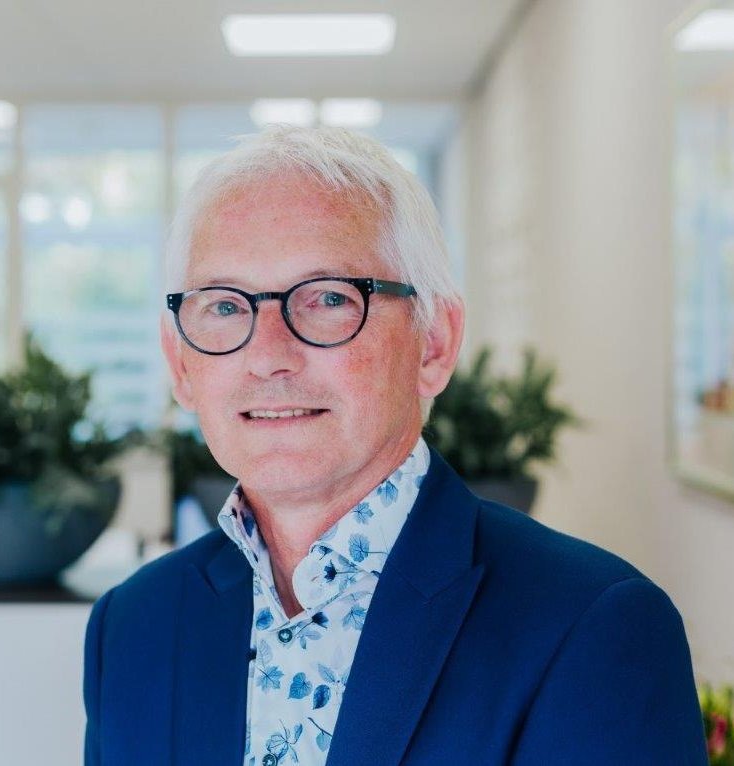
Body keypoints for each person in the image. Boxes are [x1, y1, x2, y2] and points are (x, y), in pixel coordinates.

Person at [83, 125, 707, 765]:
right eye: (223, 307)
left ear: (434, 343)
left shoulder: (592, 627)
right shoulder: (131, 628)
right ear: (180, 364)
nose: (268, 355)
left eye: (328, 298)